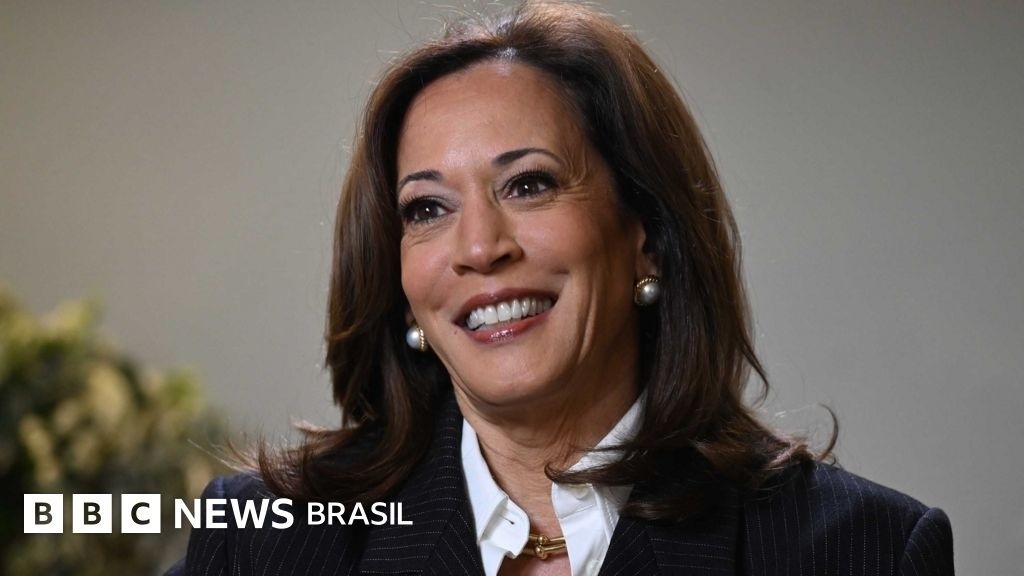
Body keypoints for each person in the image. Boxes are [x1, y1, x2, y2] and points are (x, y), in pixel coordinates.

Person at [170, 1, 953, 575]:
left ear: (646, 232)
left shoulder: (865, 551)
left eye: (529, 185)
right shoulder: (263, 542)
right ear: (401, 284)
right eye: (428, 209)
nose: (480, 249)